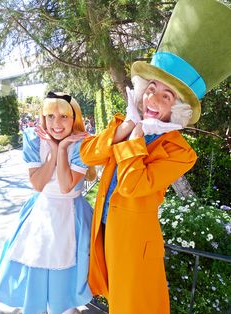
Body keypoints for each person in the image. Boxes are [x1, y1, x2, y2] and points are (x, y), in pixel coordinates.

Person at [79, 0, 231, 313]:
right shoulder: (123, 123)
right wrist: (124, 132)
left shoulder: (179, 151)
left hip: (135, 243)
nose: (153, 99)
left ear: (177, 109)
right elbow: (88, 154)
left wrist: (133, 139)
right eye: (152, 88)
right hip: (104, 232)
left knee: (134, 306)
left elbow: (134, 185)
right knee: (115, 300)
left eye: (166, 95)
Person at [0, 92, 95, 314]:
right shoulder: (34, 138)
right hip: (41, 213)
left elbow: (66, 185)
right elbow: (39, 185)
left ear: (74, 117)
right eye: (50, 116)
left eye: (63, 117)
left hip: (72, 215)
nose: (56, 124)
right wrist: (52, 151)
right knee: (36, 263)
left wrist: (61, 148)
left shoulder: (81, 144)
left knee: (67, 279)